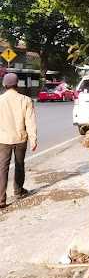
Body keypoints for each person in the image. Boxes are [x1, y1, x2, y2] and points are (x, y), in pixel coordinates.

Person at [0, 73, 37, 209]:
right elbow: (30, 121)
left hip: (3, 139)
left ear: (4, 85)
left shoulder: (0, 100)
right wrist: (33, 139)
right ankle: (18, 190)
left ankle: (1, 199)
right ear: (17, 85)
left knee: (2, 168)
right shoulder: (26, 100)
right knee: (19, 164)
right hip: (20, 138)